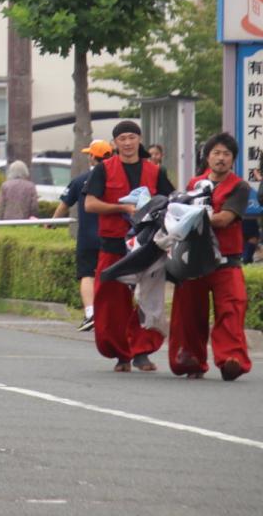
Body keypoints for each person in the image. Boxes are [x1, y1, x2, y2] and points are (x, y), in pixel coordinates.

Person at [84, 120, 174, 373]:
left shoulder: (155, 171)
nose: (127, 143)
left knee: (149, 300)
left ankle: (142, 352)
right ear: (115, 143)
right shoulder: (103, 169)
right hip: (113, 245)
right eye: (122, 138)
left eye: (131, 137)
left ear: (139, 139)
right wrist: (122, 208)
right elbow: (90, 204)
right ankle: (120, 353)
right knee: (111, 301)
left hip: (148, 246)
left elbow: (171, 200)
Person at [168, 133, 252, 381]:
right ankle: (190, 359)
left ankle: (230, 360)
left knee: (232, 308)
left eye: (226, 154)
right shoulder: (195, 183)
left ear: (233, 160)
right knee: (189, 311)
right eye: (216, 153)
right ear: (207, 157)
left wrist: (193, 218)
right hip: (194, 259)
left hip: (227, 260)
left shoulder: (240, 186)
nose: (221, 158)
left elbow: (225, 219)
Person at [51, 139, 112, 332]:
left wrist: (51, 223)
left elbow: (63, 205)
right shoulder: (116, 179)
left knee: (87, 274)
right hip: (111, 236)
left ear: (94, 157)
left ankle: (90, 312)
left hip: (86, 237)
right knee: (111, 275)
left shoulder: (80, 180)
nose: (88, 157)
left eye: (90, 154)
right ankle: (110, 313)